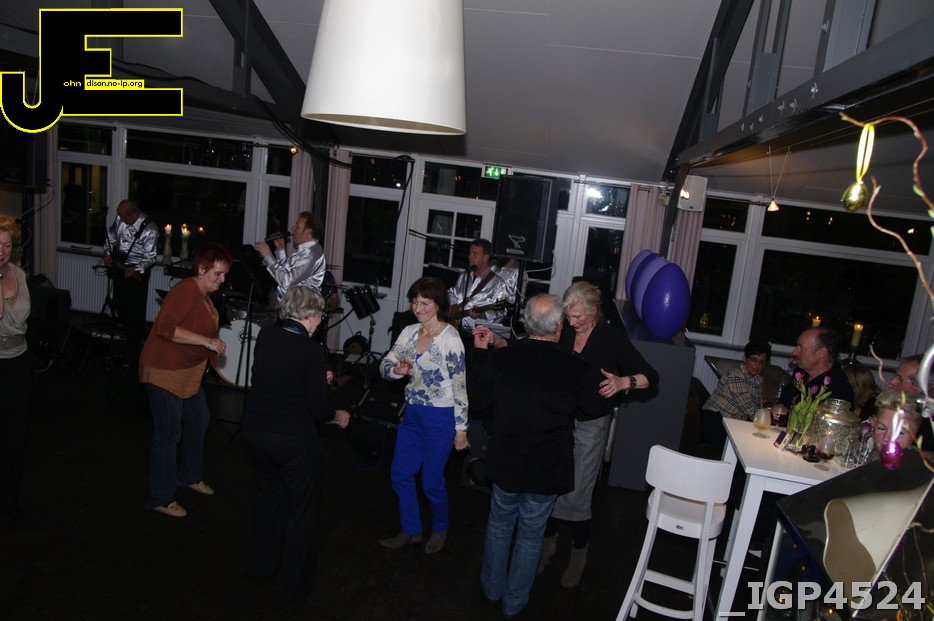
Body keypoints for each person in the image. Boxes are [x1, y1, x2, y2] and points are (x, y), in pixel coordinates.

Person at [468, 294, 589, 618]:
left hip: (506, 461)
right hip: (546, 468)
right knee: (532, 533)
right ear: (559, 327)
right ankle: (514, 602)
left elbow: (477, 401)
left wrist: (479, 354)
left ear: (526, 324)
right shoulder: (575, 367)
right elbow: (592, 406)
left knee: (499, 524)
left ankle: (491, 590)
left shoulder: (502, 359)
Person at [538, 280, 658, 588]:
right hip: (558, 420)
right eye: (568, 316)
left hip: (591, 423)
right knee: (550, 484)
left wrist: (623, 382)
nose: (571, 322)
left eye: (578, 316)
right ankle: (548, 542)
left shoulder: (612, 338)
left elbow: (651, 377)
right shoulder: (563, 331)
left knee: (578, 491)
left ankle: (579, 551)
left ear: (594, 311)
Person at [241, 286, 350, 606]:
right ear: (311, 316)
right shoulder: (311, 350)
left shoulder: (266, 335)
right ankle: (294, 588)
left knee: (268, 499)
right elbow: (318, 410)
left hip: (255, 434)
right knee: (302, 513)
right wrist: (339, 416)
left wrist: (315, 378)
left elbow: (275, 376)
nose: (319, 324)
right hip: (292, 442)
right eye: (320, 318)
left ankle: (260, 566)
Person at [139, 243, 232, 518]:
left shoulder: (203, 294)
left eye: (225, 274)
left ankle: (189, 476)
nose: (222, 280)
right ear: (201, 269)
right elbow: (165, 328)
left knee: (199, 419)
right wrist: (207, 341)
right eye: (217, 274)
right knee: (168, 434)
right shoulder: (186, 290)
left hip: (187, 371)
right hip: (164, 369)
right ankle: (161, 497)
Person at [378, 276, 469, 554]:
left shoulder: (450, 338)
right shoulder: (408, 332)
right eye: (414, 302)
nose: (418, 308)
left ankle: (440, 527)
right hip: (413, 414)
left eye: (425, 303)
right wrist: (396, 371)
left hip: (440, 418)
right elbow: (384, 365)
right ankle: (411, 529)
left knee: (431, 482)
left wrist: (461, 429)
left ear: (438, 304)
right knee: (400, 474)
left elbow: (460, 386)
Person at [0, 220, 37, 522]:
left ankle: (9, 503)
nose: (2, 251)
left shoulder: (20, 274)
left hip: (18, 362)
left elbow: (24, 317)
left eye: (7, 245)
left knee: (15, 436)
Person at [103, 199, 158, 361]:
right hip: (120, 266)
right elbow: (111, 236)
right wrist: (107, 253)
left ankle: (134, 345)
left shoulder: (150, 229)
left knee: (135, 308)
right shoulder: (120, 218)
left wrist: (137, 269)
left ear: (133, 214)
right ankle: (127, 335)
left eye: (123, 217)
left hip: (137, 272)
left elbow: (150, 257)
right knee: (119, 302)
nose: (120, 219)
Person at [701, 340, 771, 450]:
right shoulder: (736, 375)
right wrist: (768, 415)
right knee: (743, 448)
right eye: (754, 360)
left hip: (731, 423)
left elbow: (754, 406)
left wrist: (761, 407)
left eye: (761, 362)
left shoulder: (757, 379)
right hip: (715, 420)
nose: (757, 365)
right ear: (745, 358)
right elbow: (751, 410)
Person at [255, 212, 326, 306]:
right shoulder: (305, 251)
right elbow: (285, 272)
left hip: (301, 310)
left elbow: (286, 282)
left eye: (297, 226)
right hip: (292, 308)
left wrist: (268, 257)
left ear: (308, 232)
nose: (292, 228)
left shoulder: (311, 254)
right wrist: (280, 251)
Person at [779, 327, 855, 409]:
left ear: (821, 353)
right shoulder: (801, 372)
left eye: (801, 348)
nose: (795, 352)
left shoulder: (839, 390)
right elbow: (783, 404)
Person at [447, 239, 510, 328]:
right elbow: (451, 293)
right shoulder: (464, 276)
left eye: (474, 254)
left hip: (477, 332)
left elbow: (500, 313)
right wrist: (452, 306)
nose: (470, 257)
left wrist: (482, 314)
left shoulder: (499, 283)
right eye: (470, 253)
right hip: (454, 327)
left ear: (486, 257)